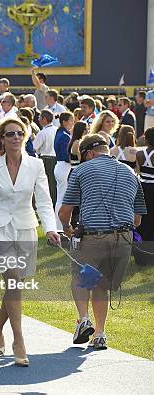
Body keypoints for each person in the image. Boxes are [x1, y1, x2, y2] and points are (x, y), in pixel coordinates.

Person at [0, 117, 60, 366]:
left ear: (25, 137)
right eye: (10, 134)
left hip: (25, 227)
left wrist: (51, 228)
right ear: (1, 138)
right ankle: (19, 340)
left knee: (15, 285)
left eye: (19, 133)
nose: (15, 137)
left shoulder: (36, 166)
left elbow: (44, 201)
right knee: (13, 280)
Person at [59, 134, 147, 350]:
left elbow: (64, 211)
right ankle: (99, 334)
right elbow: (138, 219)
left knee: (80, 277)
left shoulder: (81, 170)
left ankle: (84, 319)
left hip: (93, 235)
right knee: (102, 284)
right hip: (124, 238)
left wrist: (68, 229)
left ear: (88, 153)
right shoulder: (131, 173)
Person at [135, 127, 154, 265]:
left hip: (142, 189)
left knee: (143, 220)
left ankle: (141, 254)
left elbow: (139, 171)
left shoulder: (140, 153)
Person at [53, 112, 74, 230]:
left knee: (61, 197)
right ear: (65, 121)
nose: (72, 123)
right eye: (71, 121)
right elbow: (67, 156)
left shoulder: (61, 132)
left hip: (61, 166)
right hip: (64, 166)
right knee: (62, 198)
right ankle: (59, 227)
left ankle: (59, 226)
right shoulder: (64, 135)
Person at [33, 109, 57, 203]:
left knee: (47, 184)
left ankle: (49, 203)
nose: (38, 119)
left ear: (44, 119)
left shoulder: (43, 133)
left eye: (40, 117)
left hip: (46, 159)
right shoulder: (56, 129)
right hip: (55, 159)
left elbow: (35, 147)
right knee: (53, 184)